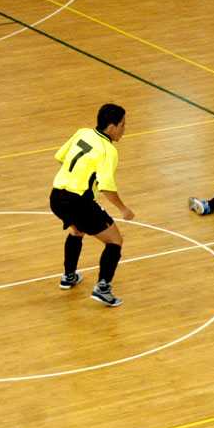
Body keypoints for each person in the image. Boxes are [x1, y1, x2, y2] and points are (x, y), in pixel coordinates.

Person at [49, 103, 135, 307]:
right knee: (115, 241)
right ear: (112, 127)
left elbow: (60, 157)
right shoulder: (108, 151)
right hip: (79, 202)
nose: (124, 129)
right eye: (122, 125)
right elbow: (106, 187)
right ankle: (103, 288)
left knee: (77, 230)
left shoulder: (83, 133)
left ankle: (69, 276)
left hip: (56, 197)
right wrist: (123, 209)